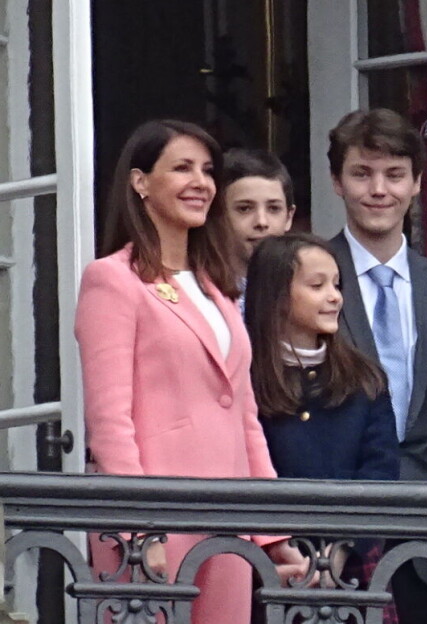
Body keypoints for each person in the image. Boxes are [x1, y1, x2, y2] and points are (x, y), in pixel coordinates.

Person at [74, 119, 310, 623]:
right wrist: (138, 532)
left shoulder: (217, 286)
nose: (201, 182)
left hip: (227, 520)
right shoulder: (112, 280)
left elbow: (245, 420)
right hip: (154, 523)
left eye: (207, 171)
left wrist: (272, 533)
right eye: (182, 168)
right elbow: (110, 423)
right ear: (141, 182)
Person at [325, 108, 427, 624]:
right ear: (337, 182)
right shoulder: (307, 276)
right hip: (333, 530)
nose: (378, 190)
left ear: (418, 183)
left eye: (394, 174)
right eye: (362, 173)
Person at [246, 232, 399, 624]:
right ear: (277, 295)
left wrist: (342, 548)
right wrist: (278, 552)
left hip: (352, 575)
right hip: (267, 571)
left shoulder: (365, 379)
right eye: (317, 286)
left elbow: (380, 473)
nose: (335, 296)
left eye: (336, 284)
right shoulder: (244, 378)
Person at [222, 148, 296, 311]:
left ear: (289, 217)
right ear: (218, 217)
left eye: (273, 208)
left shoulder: (304, 293)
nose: (261, 222)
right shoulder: (200, 295)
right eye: (245, 209)